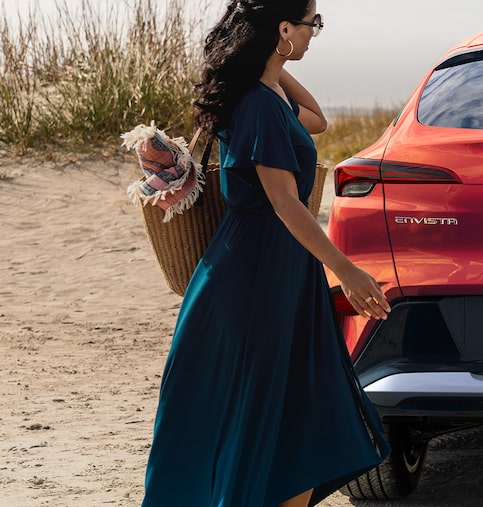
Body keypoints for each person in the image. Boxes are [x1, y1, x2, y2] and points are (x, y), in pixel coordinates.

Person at [142, 1, 392, 505]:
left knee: (288, 417)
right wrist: (345, 269)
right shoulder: (257, 105)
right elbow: (284, 203)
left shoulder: (267, 94)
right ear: (283, 27)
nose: (315, 33)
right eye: (311, 23)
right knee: (264, 415)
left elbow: (318, 120)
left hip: (275, 272)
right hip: (255, 277)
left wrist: (274, 60)